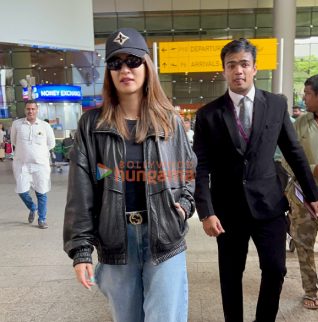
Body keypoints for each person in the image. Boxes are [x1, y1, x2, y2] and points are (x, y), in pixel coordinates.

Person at [63, 27, 196, 322]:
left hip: (165, 237)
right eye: (115, 63)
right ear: (109, 72)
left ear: (147, 66)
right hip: (115, 240)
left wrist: (185, 206)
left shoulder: (170, 122)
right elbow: (80, 191)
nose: (125, 69)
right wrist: (81, 250)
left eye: (133, 61)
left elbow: (189, 172)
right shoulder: (91, 125)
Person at [193, 38, 318, 322]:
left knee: (276, 269)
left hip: (270, 205)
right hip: (227, 210)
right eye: (231, 65)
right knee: (230, 274)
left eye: (244, 64)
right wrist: (206, 212)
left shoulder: (276, 104)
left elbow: (294, 151)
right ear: (224, 71)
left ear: (254, 68)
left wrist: (312, 195)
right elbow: (201, 167)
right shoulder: (208, 115)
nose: (238, 70)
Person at [286, 74, 318, 309]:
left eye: (307, 93)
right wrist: (312, 170)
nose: (303, 98)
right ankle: (310, 291)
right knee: (304, 244)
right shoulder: (300, 123)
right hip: (303, 195)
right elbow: (285, 159)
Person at [11, 100, 55, 229]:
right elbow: (14, 141)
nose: (30, 111)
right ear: (25, 110)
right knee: (21, 191)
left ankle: (42, 219)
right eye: (28, 109)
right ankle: (32, 207)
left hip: (40, 165)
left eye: (33, 109)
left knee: (41, 193)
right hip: (22, 164)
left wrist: (38, 153)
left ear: (37, 110)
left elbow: (51, 143)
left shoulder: (45, 126)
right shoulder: (17, 124)